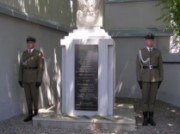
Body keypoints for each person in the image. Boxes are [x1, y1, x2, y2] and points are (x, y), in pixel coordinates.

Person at [136, 33, 163, 126]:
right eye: (148, 40)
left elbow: (160, 66)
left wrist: (161, 78)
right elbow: (137, 67)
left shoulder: (157, 52)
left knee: (152, 99)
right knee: (145, 99)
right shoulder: (141, 52)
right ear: (145, 41)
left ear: (153, 41)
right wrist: (139, 79)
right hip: (144, 78)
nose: (150, 42)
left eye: (152, 40)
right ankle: (145, 118)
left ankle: (151, 118)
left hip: (155, 78)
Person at [19, 36, 44, 122]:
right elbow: (21, 67)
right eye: (28, 43)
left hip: (34, 78)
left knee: (34, 96)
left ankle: (36, 112)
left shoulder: (38, 53)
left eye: (31, 43)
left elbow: (41, 68)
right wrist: (20, 78)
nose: (29, 44)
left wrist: (39, 79)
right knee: (28, 97)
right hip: (25, 78)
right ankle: (30, 113)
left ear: (34, 44)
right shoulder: (24, 53)